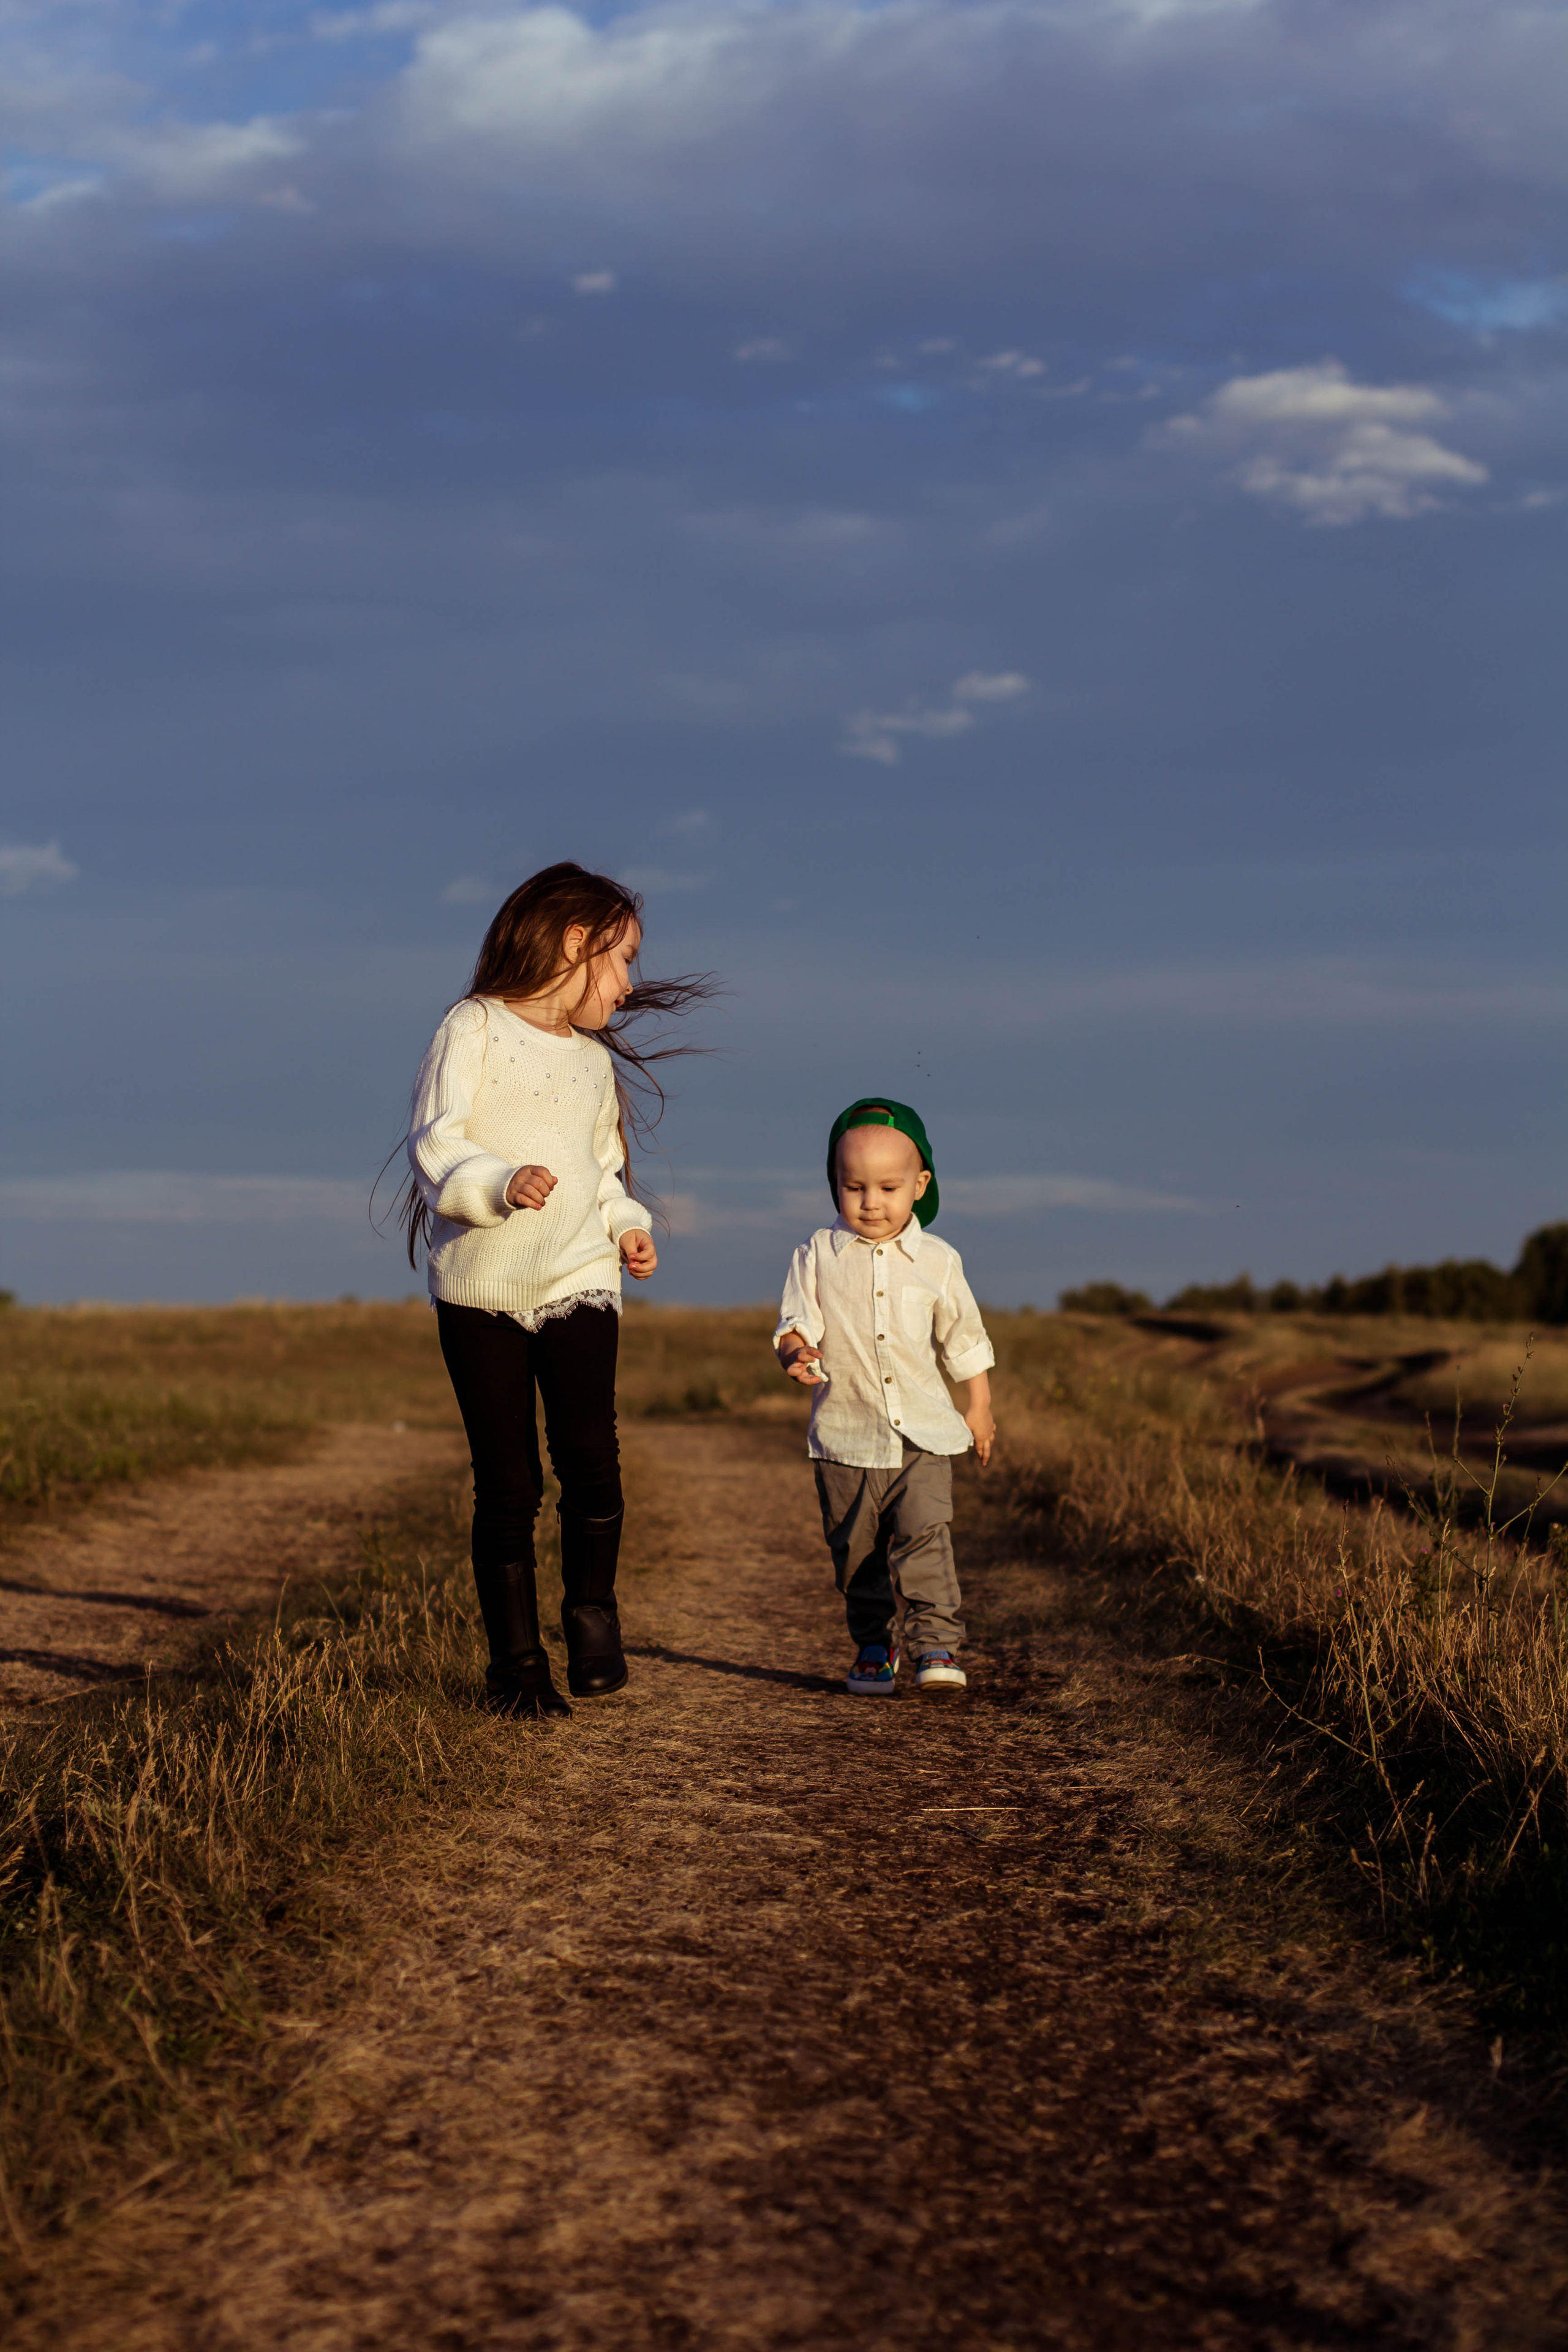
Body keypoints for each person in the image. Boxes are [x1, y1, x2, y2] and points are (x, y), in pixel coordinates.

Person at [401, 862, 710, 1720]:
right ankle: (516, 1668)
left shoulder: (592, 1066)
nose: (630, 982)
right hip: (480, 1288)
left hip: (581, 1282)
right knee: (508, 1483)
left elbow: (603, 1173)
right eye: (624, 958)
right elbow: (438, 1143)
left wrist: (626, 1227)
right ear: (576, 942)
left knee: (592, 1461)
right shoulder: (473, 1027)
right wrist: (500, 1184)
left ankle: (591, 1614)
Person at [774, 1099, 996, 1697]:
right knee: (857, 1555)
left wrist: (978, 1406)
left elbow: (963, 1338)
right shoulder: (817, 1254)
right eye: (854, 1187)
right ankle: (874, 1645)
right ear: (835, 1185)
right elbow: (795, 1323)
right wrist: (796, 1353)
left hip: (923, 1435)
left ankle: (936, 1643)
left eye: (889, 1187)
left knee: (926, 1536)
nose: (871, 1202)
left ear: (920, 1185)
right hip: (845, 1439)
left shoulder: (937, 1260)